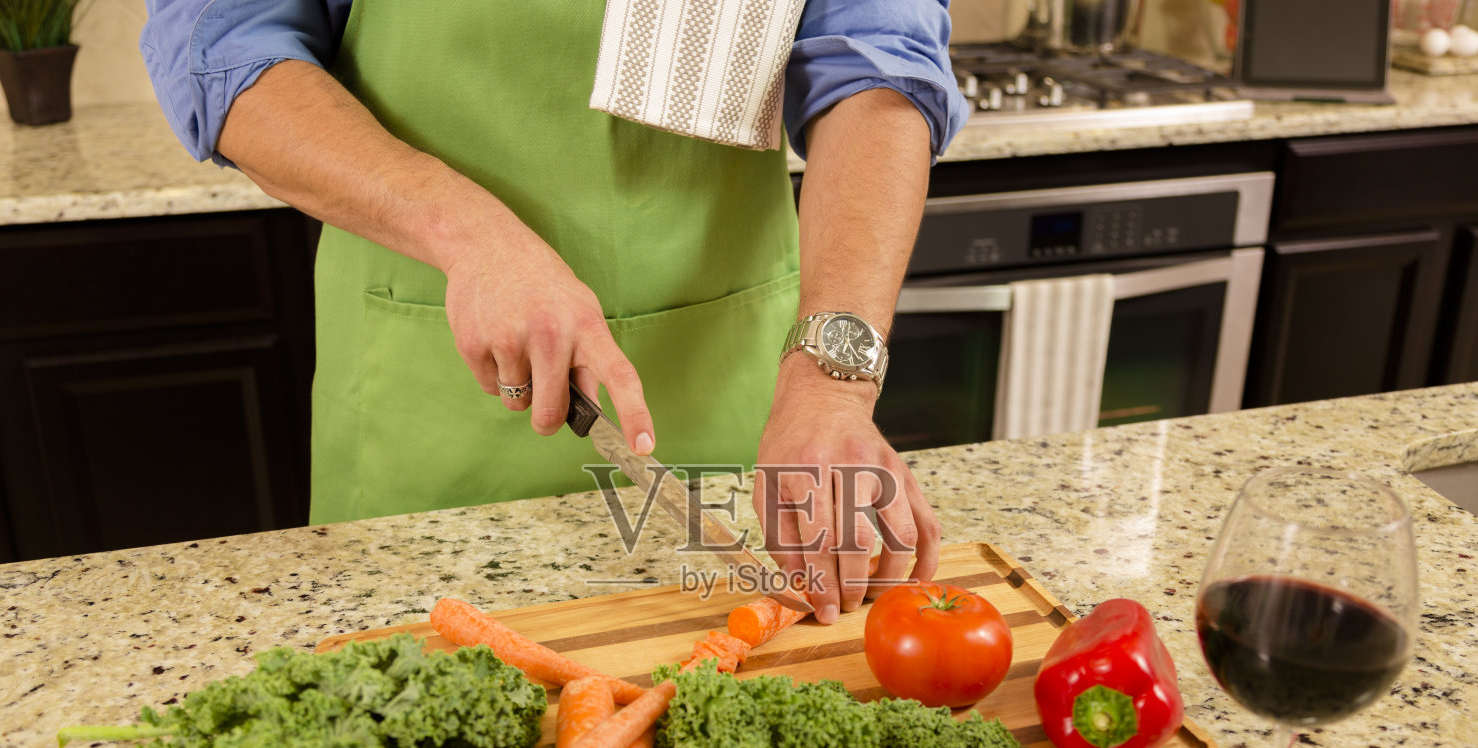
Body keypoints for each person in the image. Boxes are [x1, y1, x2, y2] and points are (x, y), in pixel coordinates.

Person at [141, 1, 967, 623]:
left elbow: (878, 59)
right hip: (428, 408)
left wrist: (830, 384)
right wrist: (468, 236)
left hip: (741, 403)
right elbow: (230, 54)